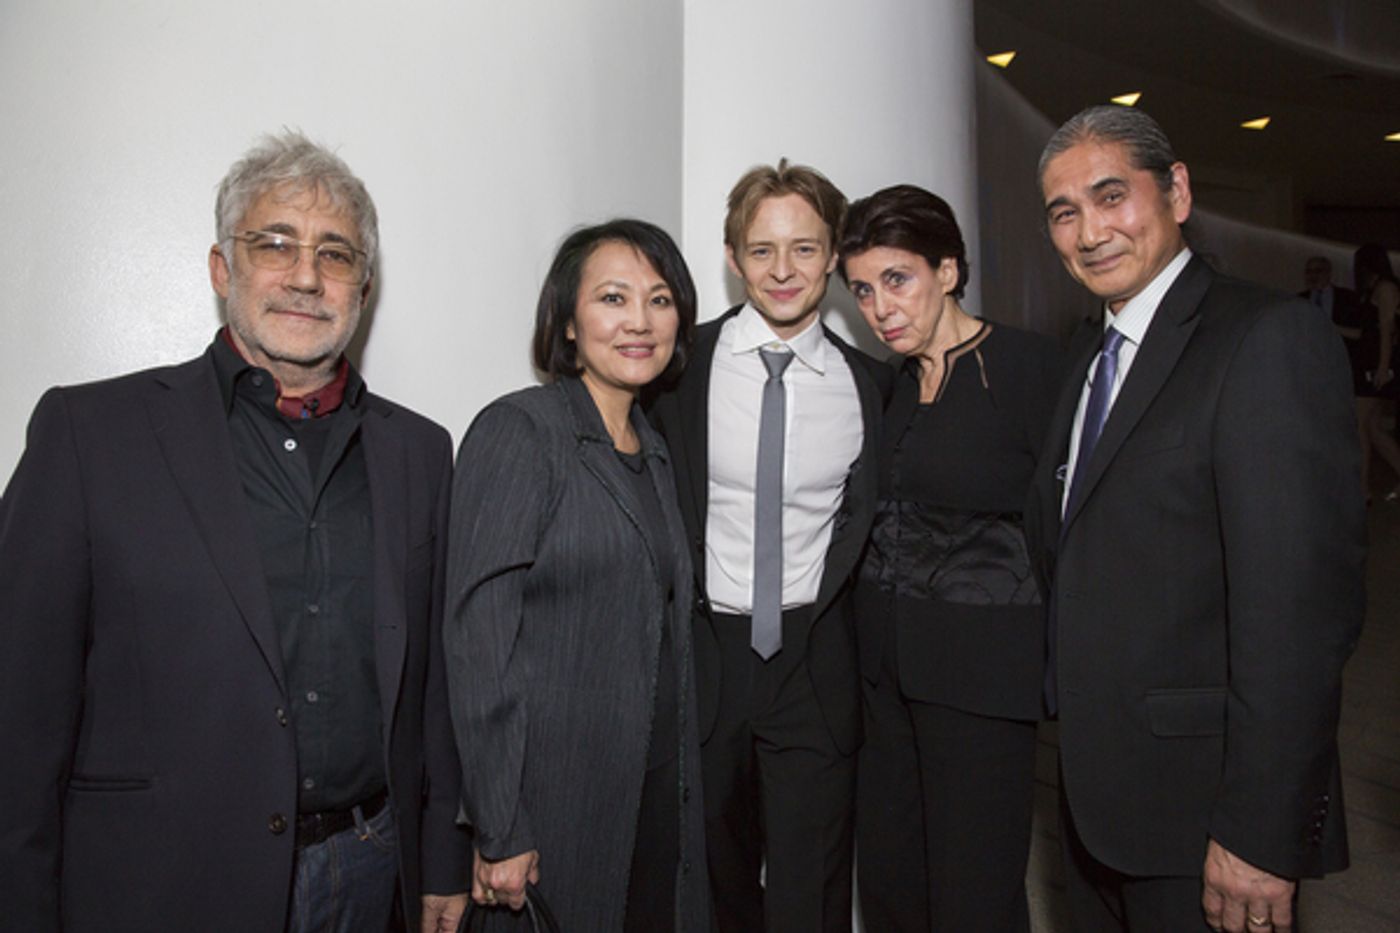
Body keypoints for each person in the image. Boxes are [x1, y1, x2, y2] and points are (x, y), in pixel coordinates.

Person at [0, 131, 471, 932]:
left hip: (369, 872)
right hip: (160, 880)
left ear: (362, 286)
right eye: (274, 243)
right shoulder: (89, 434)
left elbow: (434, 687)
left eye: (336, 254)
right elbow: (17, 713)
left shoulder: (421, 453)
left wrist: (443, 857)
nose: (304, 276)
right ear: (223, 269)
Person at [1027, 104, 1364, 932]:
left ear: (1176, 192)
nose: (1090, 230)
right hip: (1096, 801)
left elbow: (1298, 621)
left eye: (1112, 196)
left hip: (1206, 820)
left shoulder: (1266, 339)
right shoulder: (1086, 351)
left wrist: (1259, 833)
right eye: (1064, 212)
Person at [444, 219, 711, 932]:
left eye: (659, 300)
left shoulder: (652, 448)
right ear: (567, 323)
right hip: (555, 801)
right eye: (613, 298)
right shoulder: (521, 431)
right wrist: (500, 823)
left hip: (655, 791)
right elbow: (478, 640)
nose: (639, 321)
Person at [649, 159, 890, 933]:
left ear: (833, 256)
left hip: (813, 663)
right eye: (762, 250)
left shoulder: (870, 386)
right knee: (712, 880)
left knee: (810, 892)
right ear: (732, 257)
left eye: (805, 249)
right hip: (705, 653)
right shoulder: (677, 367)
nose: (783, 271)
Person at [838, 184, 1061, 932]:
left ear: (949, 270)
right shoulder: (888, 384)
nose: (880, 309)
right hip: (884, 683)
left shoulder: (1032, 370)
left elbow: (1076, 529)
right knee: (896, 888)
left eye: (897, 280)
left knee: (975, 895)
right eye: (863, 291)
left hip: (983, 684)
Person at [1350, 243, 1400, 501]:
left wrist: (1382, 367)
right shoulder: (1375, 289)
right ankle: (1363, 488)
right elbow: (1367, 333)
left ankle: (1362, 489)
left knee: (1361, 425)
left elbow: (1387, 331)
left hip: (1375, 366)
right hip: (1369, 363)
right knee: (1373, 429)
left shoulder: (1386, 289)